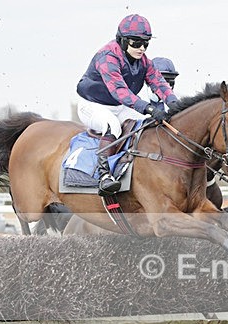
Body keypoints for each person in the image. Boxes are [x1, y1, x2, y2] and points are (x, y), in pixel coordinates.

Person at [76, 14, 180, 194]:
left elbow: (159, 82)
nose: (141, 48)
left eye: (145, 43)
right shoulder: (107, 56)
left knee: (145, 125)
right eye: (136, 43)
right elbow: (120, 91)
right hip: (92, 105)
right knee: (112, 126)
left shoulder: (144, 61)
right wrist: (148, 108)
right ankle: (104, 175)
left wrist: (176, 105)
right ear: (123, 41)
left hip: (119, 106)